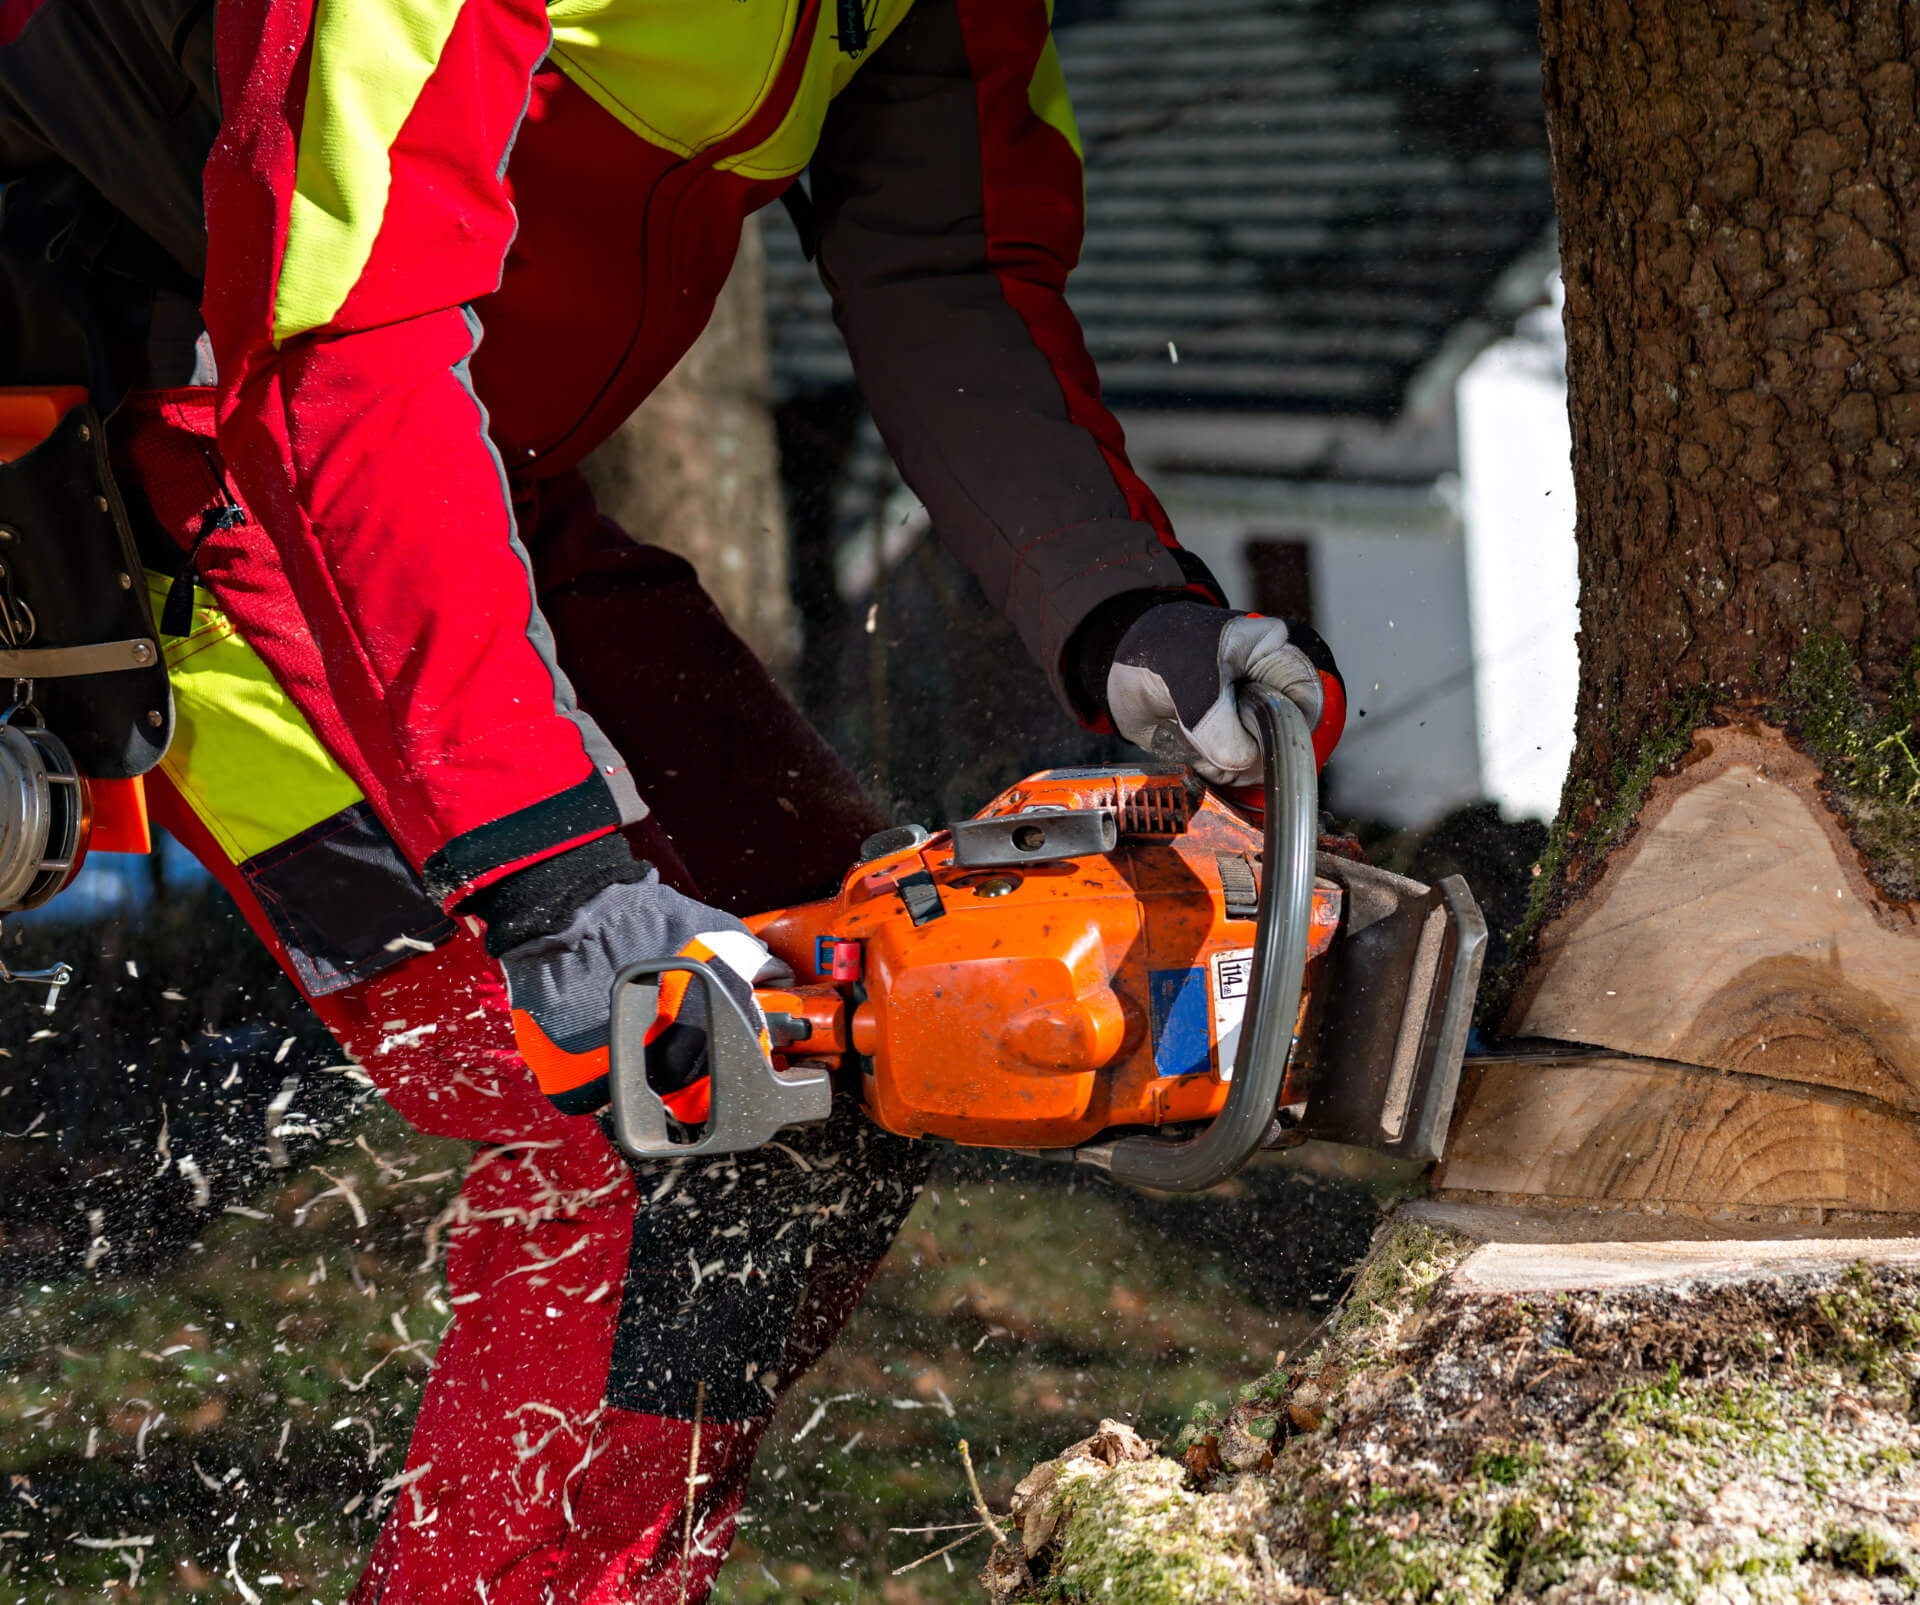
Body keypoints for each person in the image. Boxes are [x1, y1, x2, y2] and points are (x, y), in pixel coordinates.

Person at [0, 0, 1345, 1598]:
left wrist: (1125, 608)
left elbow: (951, 267)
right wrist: (549, 873)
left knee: (861, 1023)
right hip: (212, 438)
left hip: (461, 457)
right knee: (679, 1106)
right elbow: (335, 346)